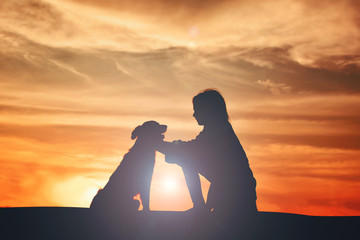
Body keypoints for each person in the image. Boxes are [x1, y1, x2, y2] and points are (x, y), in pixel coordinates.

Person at [157, 89, 257, 237]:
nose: (194, 114)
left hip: (235, 196)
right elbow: (192, 149)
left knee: (185, 158)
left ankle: (199, 208)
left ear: (209, 110)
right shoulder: (217, 129)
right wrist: (169, 147)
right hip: (229, 192)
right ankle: (200, 208)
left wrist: (158, 145)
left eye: (197, 110)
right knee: (185, 158)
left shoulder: (219, 132)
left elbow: (191, 150)